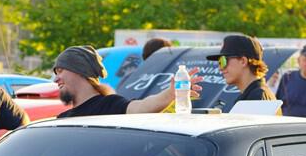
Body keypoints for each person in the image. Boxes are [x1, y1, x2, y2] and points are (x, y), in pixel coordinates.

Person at [53, 45, 202, 118]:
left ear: (80, 70)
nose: (56, 79)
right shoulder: (62, 119)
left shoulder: (109, 106)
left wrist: (169, 94)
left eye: (60, 71)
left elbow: (140, 107)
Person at [206, 34, 276, 102]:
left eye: (223, 61)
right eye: (219, 62)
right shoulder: (256, 94)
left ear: (243, 61)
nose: (220, 68)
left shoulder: (257, 97)